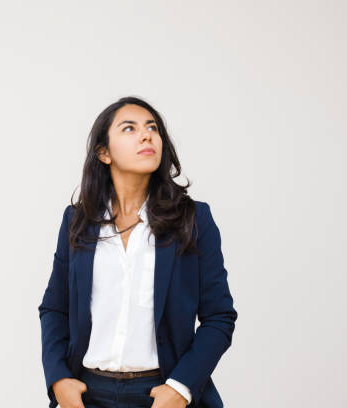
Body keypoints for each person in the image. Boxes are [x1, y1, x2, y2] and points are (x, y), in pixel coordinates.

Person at [38, 96, 238, 408]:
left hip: (162, 394)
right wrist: (58, 379)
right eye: (129, 128)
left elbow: (219, 316)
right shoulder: (77, 221)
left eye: (152, 128)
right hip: (87, 395)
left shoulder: (193, 219)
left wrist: (180, 388)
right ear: (104, 153)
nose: (146, 135)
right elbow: (55, 308)